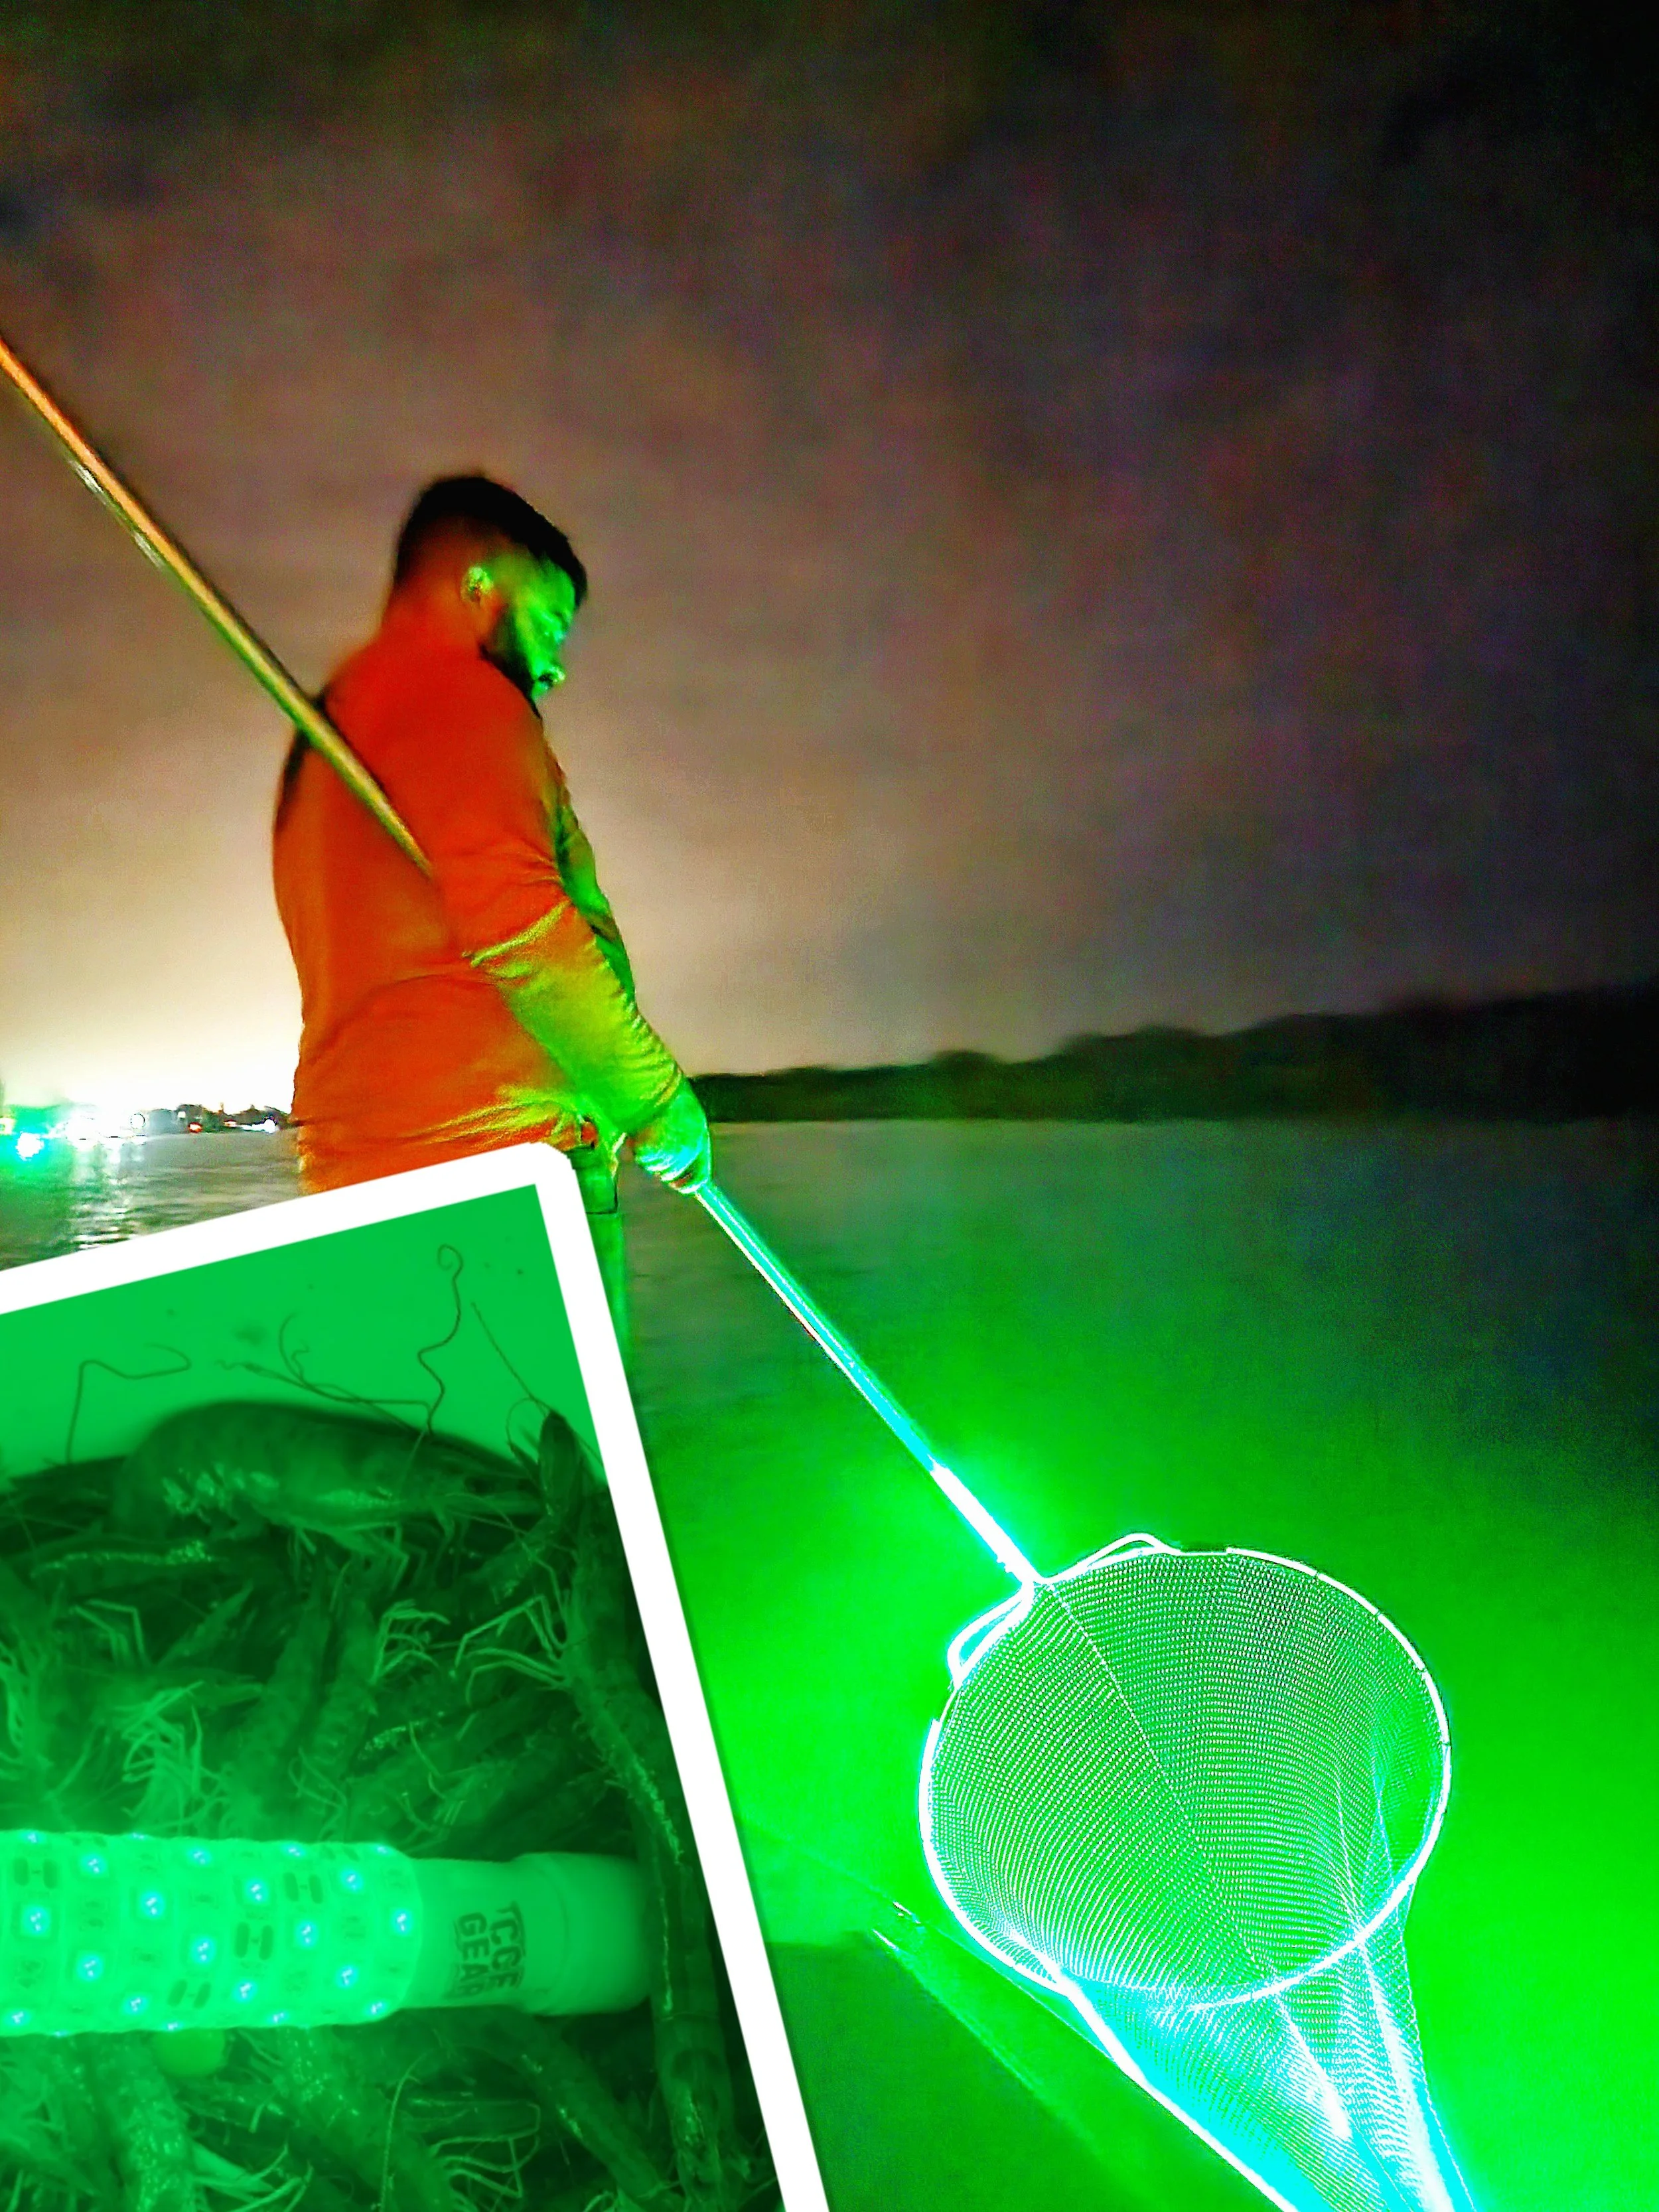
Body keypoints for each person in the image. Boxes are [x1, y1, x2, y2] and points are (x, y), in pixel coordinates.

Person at [272, 474, 710, 1353]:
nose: (555, 665)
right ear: (480, 585)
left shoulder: (326, 739)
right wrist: (657, 1100)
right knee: (553, 1478)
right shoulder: (460, 696)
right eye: (549, 624)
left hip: (359, 1179)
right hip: (499, 1186)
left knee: (439, 1465)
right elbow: (522, 928)